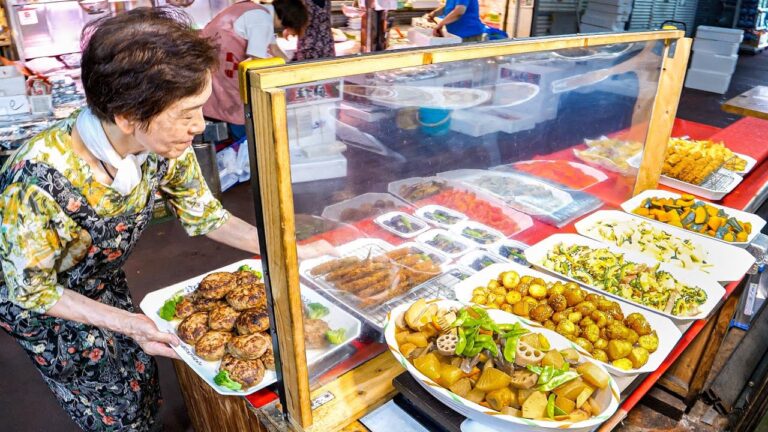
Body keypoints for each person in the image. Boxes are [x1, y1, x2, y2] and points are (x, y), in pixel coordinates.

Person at [0, 8, 327, 431]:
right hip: (44, 304)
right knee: (109, 404)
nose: (199, 124)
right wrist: (129, 322)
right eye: (187, 111)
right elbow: (30, 291)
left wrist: (291, 250)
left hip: (103, 281)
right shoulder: (37, 181)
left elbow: (207, 216)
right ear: (127, 116)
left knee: (138, 375)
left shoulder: (158, 140)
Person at [202, 0, 309, 140]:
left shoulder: (257, 11)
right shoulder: (262, 20)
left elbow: (274, 49)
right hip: (224, 74)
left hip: (209, 68)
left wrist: (295, 70)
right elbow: (257, 61)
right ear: (288, 20)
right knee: (241, 126)